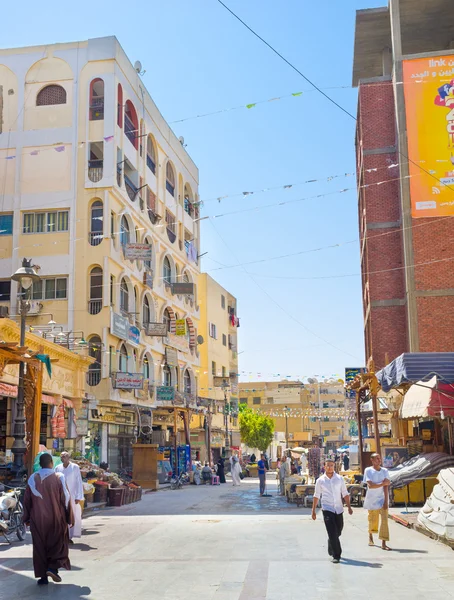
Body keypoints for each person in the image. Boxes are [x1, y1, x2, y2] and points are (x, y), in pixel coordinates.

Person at [23, 453, 73, 585]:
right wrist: (69, 516)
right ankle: (52, 568)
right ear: (51, 462)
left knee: (40, 547)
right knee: (58, 543)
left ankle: (43, 577)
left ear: (40, 464)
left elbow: (27, 500)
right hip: (56, 517)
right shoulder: (59, 477)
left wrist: (26, 518)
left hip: (37, 519)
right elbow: (66, 499)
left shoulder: (33, 478)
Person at [312, 458, 353, 563]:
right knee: (332, 531)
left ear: (334, 466)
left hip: (338, 509)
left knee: (338, 531)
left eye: (331, 465)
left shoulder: (339, 479)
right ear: (324, 466)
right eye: (328, 465)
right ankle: (336, 555)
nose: (330, 467)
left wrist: (349, 506)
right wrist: (313, 511)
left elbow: (345, 493)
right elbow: (316, 496)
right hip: (327, 509)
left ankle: (331, 541)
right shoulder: (320, 480)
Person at [363, 453, 391, 551]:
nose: (379, 460)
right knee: (372, 520)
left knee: (384, 520)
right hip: (371, 499)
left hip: (382, 498)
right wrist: (383, 483)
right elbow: (370, 485)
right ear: (372, 460)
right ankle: (370, 537)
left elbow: (386, 486)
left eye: (380, 458)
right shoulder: (368, 470)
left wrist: (386, 501)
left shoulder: (385, 471)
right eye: (377, 458)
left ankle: (384, 542)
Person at [55, 452, 84, 543]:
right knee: (61, 515)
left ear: (68, 457)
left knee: (72, 515)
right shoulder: (57, 468)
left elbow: (79, 482)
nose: (62, 458)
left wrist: (78, 496)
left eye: (64, 456)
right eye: (61, 457)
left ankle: (69, 536)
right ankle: (62, 535)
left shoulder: (75, 467)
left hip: (72, 496)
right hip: (61, 496)